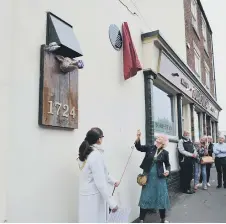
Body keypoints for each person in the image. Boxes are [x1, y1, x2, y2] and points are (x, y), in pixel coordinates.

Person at [78, 127, 119, 223]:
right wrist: (112, 203)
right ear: (99, 139)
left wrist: (114, 181)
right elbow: (100, 182)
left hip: (85, 195)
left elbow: (99, 173)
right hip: (94, 197)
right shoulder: (95, 155)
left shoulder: (85, 152)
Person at [135, 130, 170, 223]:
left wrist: (167, 171)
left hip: (160, 178)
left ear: (163, 142)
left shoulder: (165, 153)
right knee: (145, 196)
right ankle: (141, 219)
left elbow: (167, 164)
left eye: (160, 138)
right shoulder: (150, 147)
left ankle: (163, 219)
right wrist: (138, 137)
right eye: (157, 138)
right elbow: (138, 147)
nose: (158, 139)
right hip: (148, 176)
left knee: (161, 197)